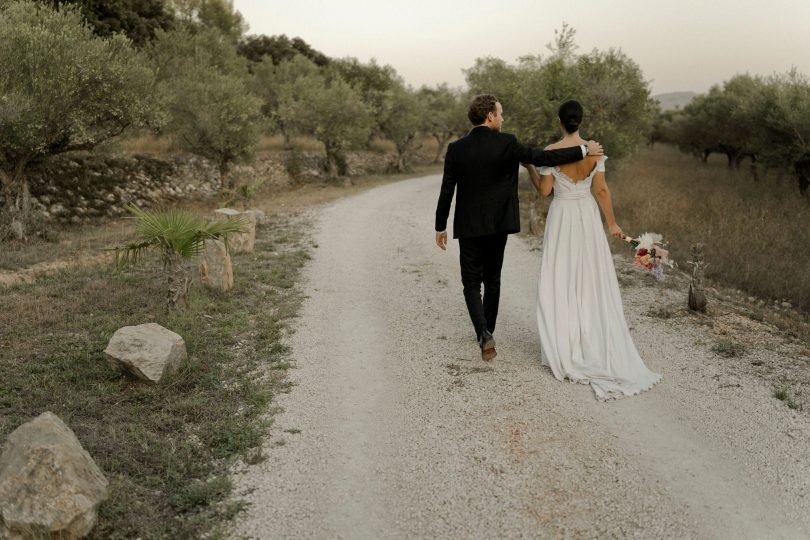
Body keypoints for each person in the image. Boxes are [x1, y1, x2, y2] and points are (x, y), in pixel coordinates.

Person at [435, 94, 604, 361]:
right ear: (490, 116)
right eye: (500, 114)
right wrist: (584, 150)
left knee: (470, 283)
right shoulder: (507, 143)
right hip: (499, 225)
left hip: (469, 226)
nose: (502, 119)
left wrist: (440, 226)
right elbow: (542, 157)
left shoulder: (456, 149)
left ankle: (483, 334)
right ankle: (487, 331)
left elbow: (447, 189)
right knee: (492, 281)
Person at [524, 99, 661, 400]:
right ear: (581, 121)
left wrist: (530, 168)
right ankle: (592, 339)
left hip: (562, 217)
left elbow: (544, 191)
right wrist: (612, 223)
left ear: (559, 120)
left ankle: (565, 344)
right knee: (588, 278)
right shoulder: (594, 151)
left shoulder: (551, 152)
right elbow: (601, 190)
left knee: (561, 277)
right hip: (586, 216)